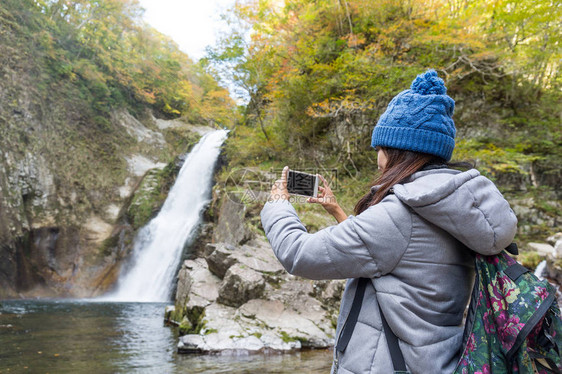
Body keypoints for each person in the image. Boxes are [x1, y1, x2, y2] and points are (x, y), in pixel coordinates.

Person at [259, 69, 518, 374]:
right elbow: (399, 263)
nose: (378, 159)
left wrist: (278, 205)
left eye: (380, 149)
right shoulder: (450, 206)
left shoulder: (399, 215)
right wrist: (339, 214)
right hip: (435, 361)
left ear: (397, 151)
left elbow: (300, 255)